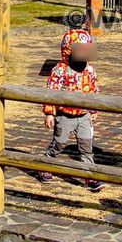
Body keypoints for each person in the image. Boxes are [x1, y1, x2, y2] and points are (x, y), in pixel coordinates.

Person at [39, 28, 103, 192]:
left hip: (83, 115)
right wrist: (49, 113)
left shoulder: (89, 70)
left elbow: (94, 90)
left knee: (86, 147)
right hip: (64, 115)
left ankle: (90, 177)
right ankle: (46, 163)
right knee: (59, 143)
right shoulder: (60, 70)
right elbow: (51, 92)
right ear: (68, 50)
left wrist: (94, 110)